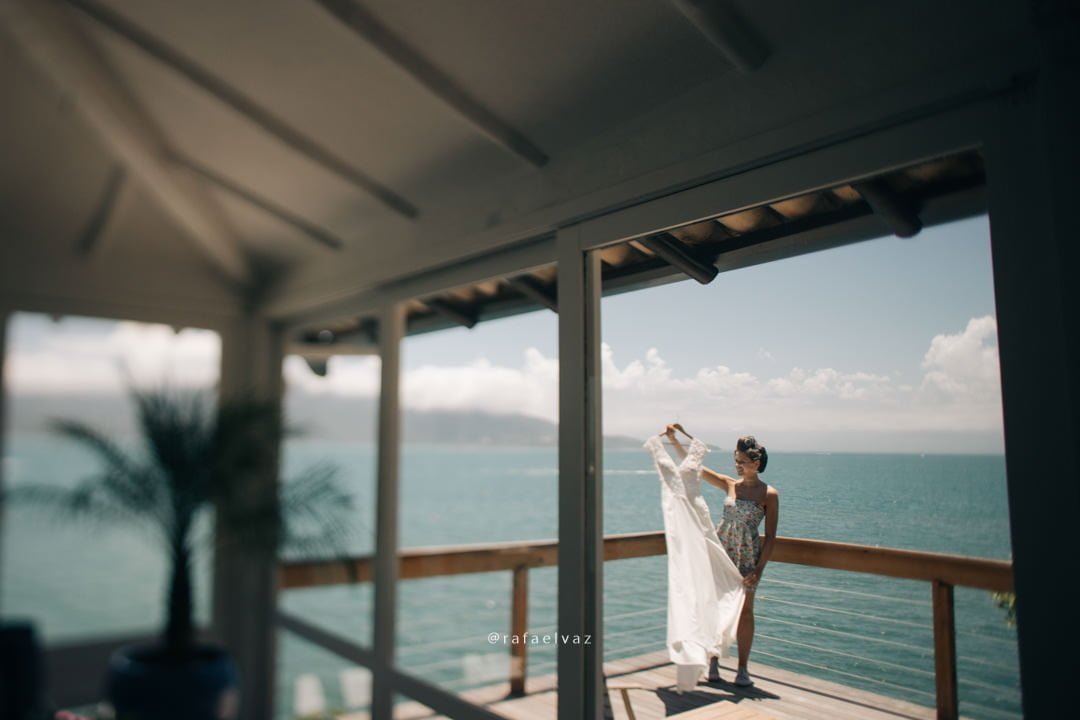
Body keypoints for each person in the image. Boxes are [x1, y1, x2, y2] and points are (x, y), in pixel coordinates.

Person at [664, 424, 779, 687]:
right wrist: (676, 439)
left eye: (742, 462)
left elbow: (771, 537)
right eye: (735, 461)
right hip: (719, 553)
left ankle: (742, 669)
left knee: (746, 612)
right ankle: (713, 662)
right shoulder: (730, 485)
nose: (737, 466)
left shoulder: (769, 494)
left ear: (756, 462)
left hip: (747, 558)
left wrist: (758, 570)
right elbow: (695, 468)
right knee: (713, 607)